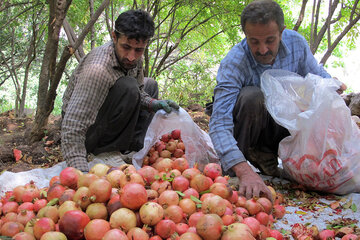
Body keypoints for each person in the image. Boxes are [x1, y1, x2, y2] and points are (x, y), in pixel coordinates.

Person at [208, 0, 347, 201]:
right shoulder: (235, 62)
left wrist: (332, 86)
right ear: (245, 35)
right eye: (254, 41)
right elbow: (219, 121)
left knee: (308, 99)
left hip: (283, 130)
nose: (263, 49)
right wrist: (244, 171)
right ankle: (241, 164)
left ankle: (270, 156)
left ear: (282, 32)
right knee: (252, 97)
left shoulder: (297, 44)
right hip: (248, 131)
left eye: (270, 40)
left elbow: (316, 75)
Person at [61, 9, 179, 173]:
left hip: (108, 118)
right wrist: (81, 174)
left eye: (138, 50)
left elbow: (141, 92)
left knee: (150, 85)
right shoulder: (98, 70)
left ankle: (130, 150)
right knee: (128, 86)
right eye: (126, 47)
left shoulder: (133, 59)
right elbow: (73, 126)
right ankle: (103, 152)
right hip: (88, 133)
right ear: (114, 37)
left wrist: (154, 104)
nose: (131, 56)